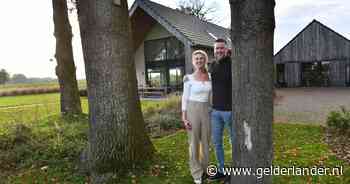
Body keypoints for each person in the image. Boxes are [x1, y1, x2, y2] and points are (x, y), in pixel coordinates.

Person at [182, 50, 212, 184]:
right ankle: (196, 173)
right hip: (192, 110)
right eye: (197, 59)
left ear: (205, 60)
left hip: (206, 110)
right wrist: (184, 117)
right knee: (194, 142)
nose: (199, 60)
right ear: (194, 62)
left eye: (201, 58)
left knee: (206, 142)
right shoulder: (188, 78)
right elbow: (184, 98)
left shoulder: (210, 76)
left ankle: (205, 169)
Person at [207, 38, 233, 181]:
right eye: (217, 48)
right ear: (214, 50)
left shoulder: (233, 63)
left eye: (221, 48)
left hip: (230, 110)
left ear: (226, 49)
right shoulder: (212, 65)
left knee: (233, 143)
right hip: (215, 111)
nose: (219, 50)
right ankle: (222, 170)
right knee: (217, 142)